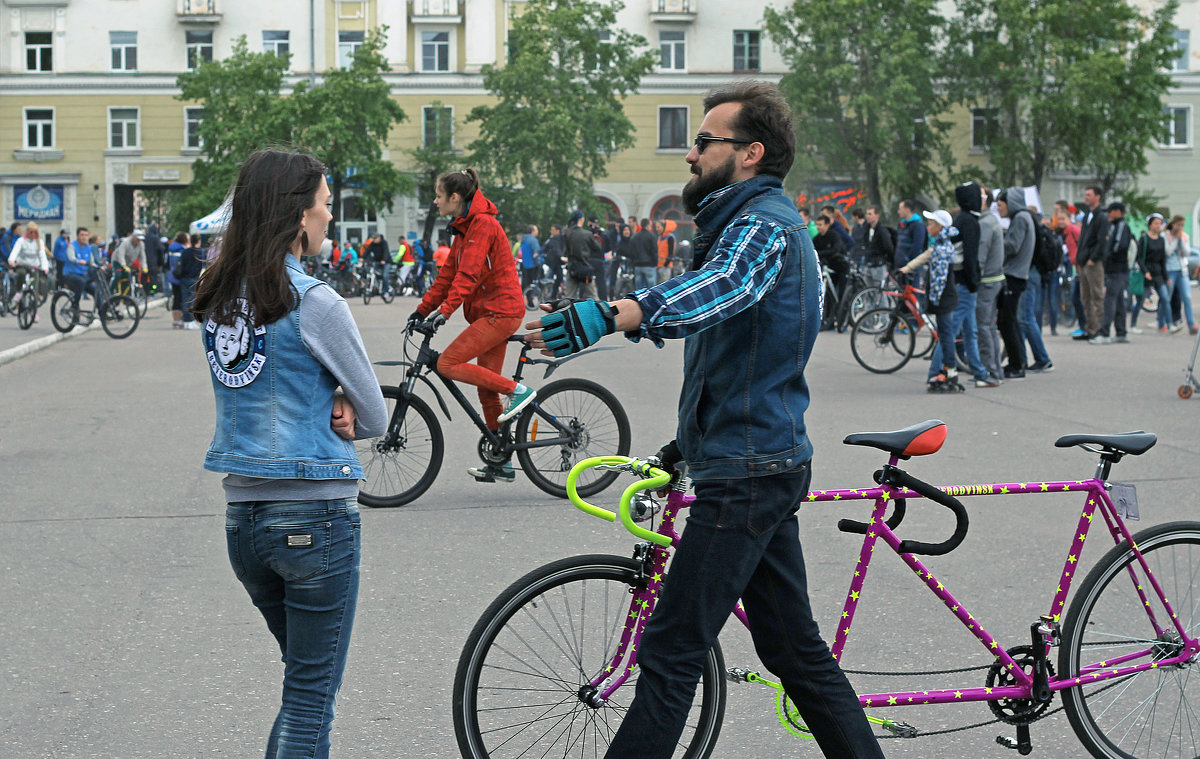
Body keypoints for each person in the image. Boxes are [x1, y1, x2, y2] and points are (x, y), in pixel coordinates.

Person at [525, 79, 884, 759]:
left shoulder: (763, 226)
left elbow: (720, 292)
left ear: (750, 152)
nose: (691, 155)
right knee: (793, 650)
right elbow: (731, 359)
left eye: (704, 141)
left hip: (750, 472)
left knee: (670, 650)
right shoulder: (738, 222)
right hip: (754, 461)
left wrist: (611, 312)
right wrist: (683, 446)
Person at [191, 148, 386, 759]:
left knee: (303, 690)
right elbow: (377, 415)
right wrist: (344, 398)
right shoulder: (315, 301)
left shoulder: (218, 296)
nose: (331, 218)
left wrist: (329, 392)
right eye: (327, 206)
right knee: (309, 701)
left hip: (242, 524)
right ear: (298, 214)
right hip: (315, 521)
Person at [410, 167, 533, 483]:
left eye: (439, 196)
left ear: (455, 197)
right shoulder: (464, 228)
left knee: (448, 363)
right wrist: (422, 311)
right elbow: (447, 276)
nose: (435, 201)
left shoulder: (482, 224)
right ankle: (501, 459)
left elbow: (468, 275)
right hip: (488, 313)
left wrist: (445, 312)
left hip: (501, 312)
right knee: (485, 389)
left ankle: (518, 391)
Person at [900, 209, 962, 392]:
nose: (928, 226)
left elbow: (939, 279)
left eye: (931, 223)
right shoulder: (940, 244)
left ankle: (950, 372)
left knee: (946, 336)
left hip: (944, 298)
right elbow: (926, 256)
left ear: (940, 226)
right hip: (945, 297)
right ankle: (947, 370)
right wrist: (906, 268)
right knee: (944, 335)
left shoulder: (943, 248)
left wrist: (933, 301)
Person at [994, 188, 1035, 378]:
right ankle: (1019, 361)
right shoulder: (1023, 217)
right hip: (1017, 275)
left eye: (1000, 205)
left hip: (1013, 275)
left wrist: (996, 246)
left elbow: (1012, 246)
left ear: (1011, 203)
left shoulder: (1020, 218)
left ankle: (1016, 365)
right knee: (1010, 321)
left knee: (1006, 321)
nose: (998, 208)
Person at [951, 182, 988, 384]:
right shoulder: (970, 222)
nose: (983, 200)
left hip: (960, 282)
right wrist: (974, 282)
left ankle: (979, 371)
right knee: (953, 331)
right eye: (980, 196)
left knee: (969, 331)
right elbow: (971, 257)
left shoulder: (961, 219)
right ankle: (936, 370)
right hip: (965, 284)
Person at [975, 186, 1005, 387]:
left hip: (986, 282)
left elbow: (981, 256)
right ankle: (996, 371)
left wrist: (973, 276)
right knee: (989, 327)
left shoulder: (985, 223)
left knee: (983, 327)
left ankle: (991, 373)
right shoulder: (991, 220)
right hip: (994, 280)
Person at [1093, 201, 1132, 344]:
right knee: (1119, 301)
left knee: (1109, 300)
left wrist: (1107, 257)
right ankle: (1121, 332)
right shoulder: (1114, 226)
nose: (1108, 214)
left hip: (1117, 269)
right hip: (1115, 269)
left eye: (1110, 211)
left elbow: (1119, 247)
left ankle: (1104, 333)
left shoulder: (1121, 226)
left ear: (1118, 212)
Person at [1074, 186, 1109, 341]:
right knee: (1085, 297)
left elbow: (1102, 241)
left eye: (1089, 195)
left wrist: (1092, 259)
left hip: (1093, 263)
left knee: (1096, 296)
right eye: (1085, 194)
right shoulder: (1087, 214)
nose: (1086, 197)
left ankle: (1099, 329)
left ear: (1097, 197)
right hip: (1083, 262)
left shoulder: (1101, 216)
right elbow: (1083, 239)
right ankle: (1090, 328)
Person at [7, 220, 50, 318]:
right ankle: (18, 292)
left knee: (34, 288)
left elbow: (42, 256)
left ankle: (34, 311)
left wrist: (45, 267)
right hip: (22, 265)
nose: (33, 234)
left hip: (34, 266)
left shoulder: (39, 242)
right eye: (31, 232)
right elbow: (15, 251)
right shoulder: (21, 241)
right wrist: (11, 260)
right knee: (21, 274)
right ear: (27, 232)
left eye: (35, 232)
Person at [1164, 215, 1197, 334]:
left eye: (1182, 225)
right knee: (1166, 297)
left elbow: (1187, 253)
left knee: (1187, 298)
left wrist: (1181, 239)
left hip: (1182, 271)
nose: (1180, 227)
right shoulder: (1166, 236)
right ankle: (1164, 322)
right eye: (1178, 224)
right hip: (1170, 270)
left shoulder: (1184, 236)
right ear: (1173, 224)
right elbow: (1167, 252)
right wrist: (1175, 239)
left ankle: (1191, 325)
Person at [564, 209, 600, 299]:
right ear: (582, 219)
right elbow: (598, 248)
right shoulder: (587, 234)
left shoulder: (567, 233)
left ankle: (569, 312)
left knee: (569, 297)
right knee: (593, 296)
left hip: (571, 268)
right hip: (585, 268)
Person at [178, 233, 205, 328]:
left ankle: (186, 320)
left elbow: (181, 264)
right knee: (192, 300)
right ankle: (191, 320)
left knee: (185, 299)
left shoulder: (185, 251)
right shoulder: (201, 252)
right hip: (194, 278)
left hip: (184, 278)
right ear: (199, 241)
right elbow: (202, 266)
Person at [894, 198, 927, 269]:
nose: (898, 212)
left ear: (907, 210)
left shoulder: (917, 226)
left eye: (900, 209)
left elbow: (918, 245)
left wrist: (907, 258)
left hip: (912, 266)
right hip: (900, 265)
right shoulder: (901, 224)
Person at [630, 217, 659, 290]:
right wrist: (655, 263)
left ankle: (639, 301)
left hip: (637, 265)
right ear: (647, 225)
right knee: (651, 289)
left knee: (639, 289)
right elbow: (654, 251)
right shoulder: (652, 236)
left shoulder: (634, 237)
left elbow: (632, 252)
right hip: (649, 265)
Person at [166, 232, 188, 327]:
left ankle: (175, 319)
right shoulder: (182, 250)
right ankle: (180, 319)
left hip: (172, 275)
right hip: (180, 276)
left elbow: (166, 262)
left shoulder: (171, 248)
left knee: (176, 298)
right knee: (181, 298)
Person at [863, 205, 894, 270]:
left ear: (877, 215)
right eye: (867, 214)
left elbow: (888, 247)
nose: (867, 216)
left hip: (879, 264)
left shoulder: (882, 230)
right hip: (868, 263)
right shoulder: (866, 229)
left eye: (870, 214)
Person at [519, 224, 542, 306]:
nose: (537, 231)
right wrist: (540, 262)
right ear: (532, 231)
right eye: (536, 230)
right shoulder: (533, 240)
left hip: (525, 265)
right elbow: (537, 253)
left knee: (525, 284)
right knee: (534, 284)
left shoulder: (523, 240)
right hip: (533, 266)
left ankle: (524, 301)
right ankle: (532, 301)